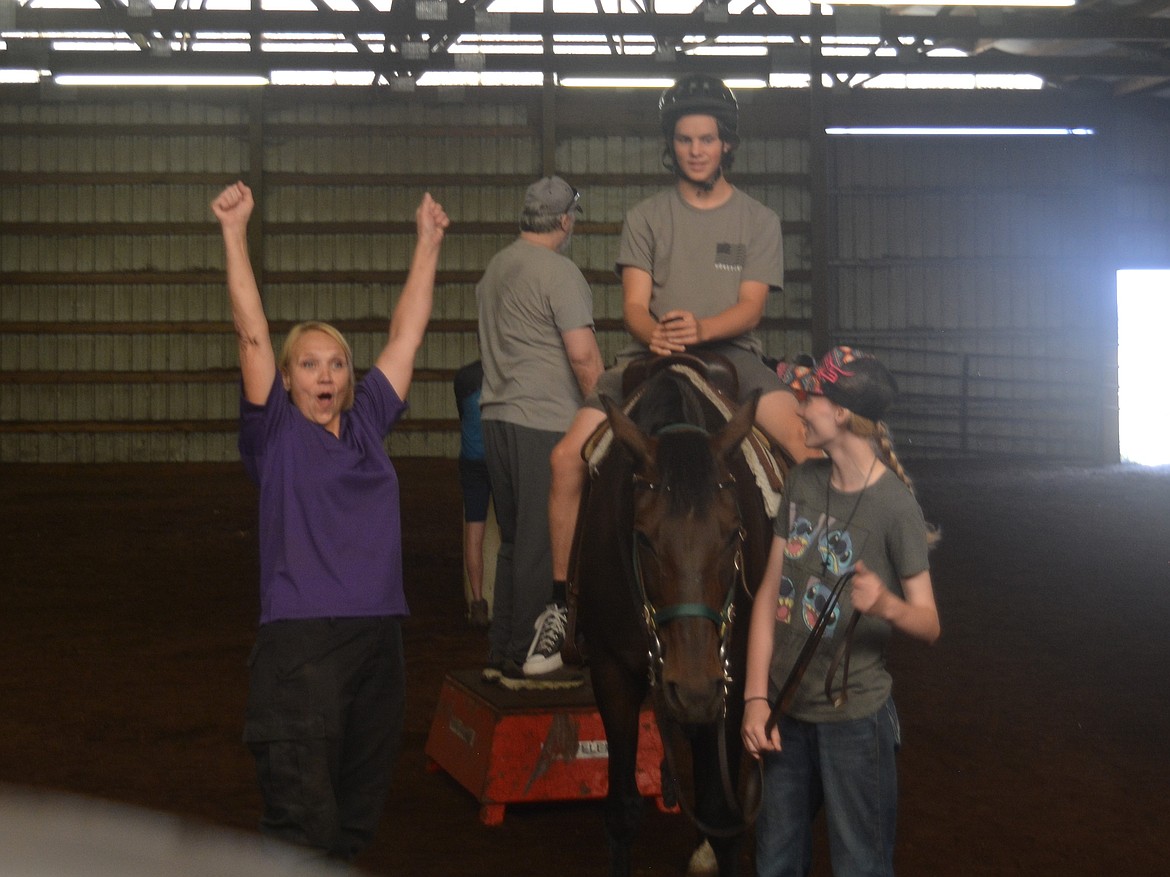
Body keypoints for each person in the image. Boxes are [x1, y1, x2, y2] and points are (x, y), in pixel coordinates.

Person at [210, 180, 449, 860]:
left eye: (337, 363)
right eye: (309, 364)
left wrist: (428, 243)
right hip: (302, 651)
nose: (326, 374)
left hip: (380, 645)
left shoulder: (369, 421)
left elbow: (407, 332)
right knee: (301, 826)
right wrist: (234, 234)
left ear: (349, 376)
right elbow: (252, 329)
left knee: (352, 824)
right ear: (285, 379)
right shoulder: (275, 433)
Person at [548, 74, 819, 646]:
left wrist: (699, 330)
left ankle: (812, 586)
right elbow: (635, 306)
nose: (696, 150)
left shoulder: (757, 220)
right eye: (685, 139)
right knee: (565, 457)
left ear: (727, 144)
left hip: (732, 357)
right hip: (652, 354)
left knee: (804, 447)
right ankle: (564, 605)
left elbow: (749, 310)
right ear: (670, 145)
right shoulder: (646, 216)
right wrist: (659, 335)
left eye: (708, 139)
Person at [740, 346, 941, 877]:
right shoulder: (803, 482)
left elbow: (929, 622)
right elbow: (767, 595)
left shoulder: (895, 507)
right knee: (774, 863)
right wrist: (755, 697)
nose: (799, 408)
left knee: (860, 866)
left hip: (854, 724)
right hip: (783, 712)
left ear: (843, 414)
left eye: (810, 398)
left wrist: (887, 604)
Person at [476, 175, 604, 689]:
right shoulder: (560, 272)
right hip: (545, 419)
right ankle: (536, 655)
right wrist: (604, 410)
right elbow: (583, 354)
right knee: (540, 540)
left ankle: (503, 649)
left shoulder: (496, 268)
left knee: (512, 538)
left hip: (496, 416)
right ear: (566, 220)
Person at [453, 359, 491, 629]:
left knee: (474, 532)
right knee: (511, 532)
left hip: (472, 460)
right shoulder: (511, 370)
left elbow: (462, 415)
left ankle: (477, 604)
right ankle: (514, 601)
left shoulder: (465, 376)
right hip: (501, 457)